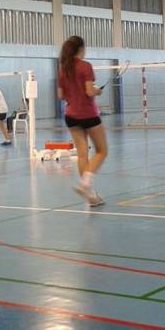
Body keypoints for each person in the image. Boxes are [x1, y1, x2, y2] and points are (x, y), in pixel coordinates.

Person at [58, 35, 108, 207]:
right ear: (81, 49)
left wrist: (73, 96)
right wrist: (98, 91)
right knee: (102, 151)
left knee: (82, 154)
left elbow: (61, 95)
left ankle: (90, 196)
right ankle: (84, 184)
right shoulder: (85, 66)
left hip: (70, 116)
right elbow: (89, 91)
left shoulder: (63, 69)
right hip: (88, 115)